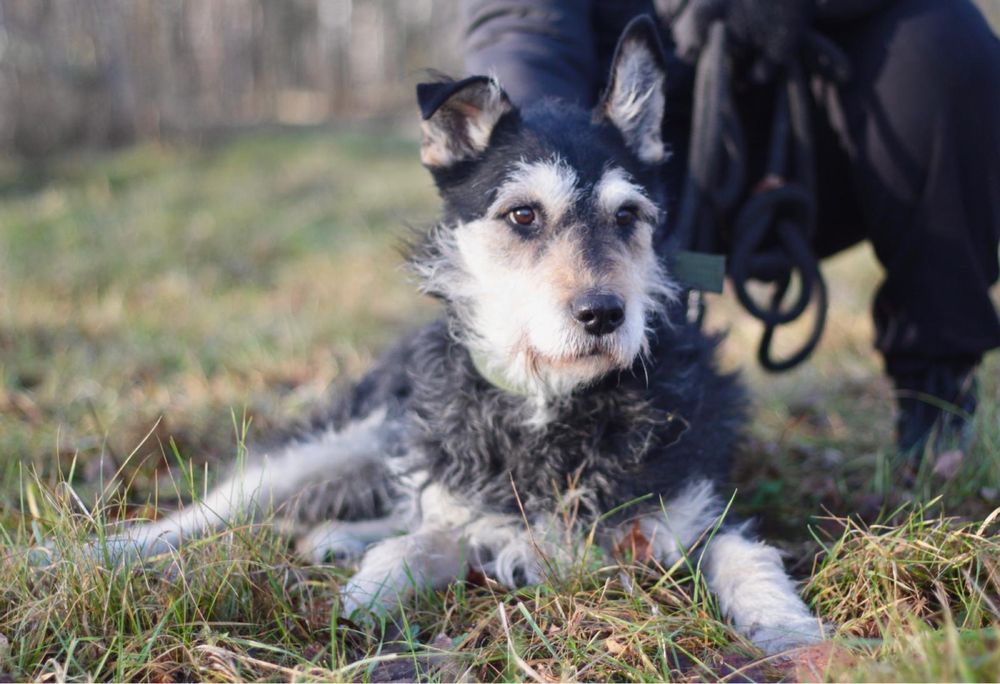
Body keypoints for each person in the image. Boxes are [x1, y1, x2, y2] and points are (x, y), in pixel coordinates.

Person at [462, 0, 1000, 460]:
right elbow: (524, 22)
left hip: (833, 121)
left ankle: (938, 393)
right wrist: (529, 147)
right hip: (628, 133)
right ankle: (603, 414)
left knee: (946, 44)